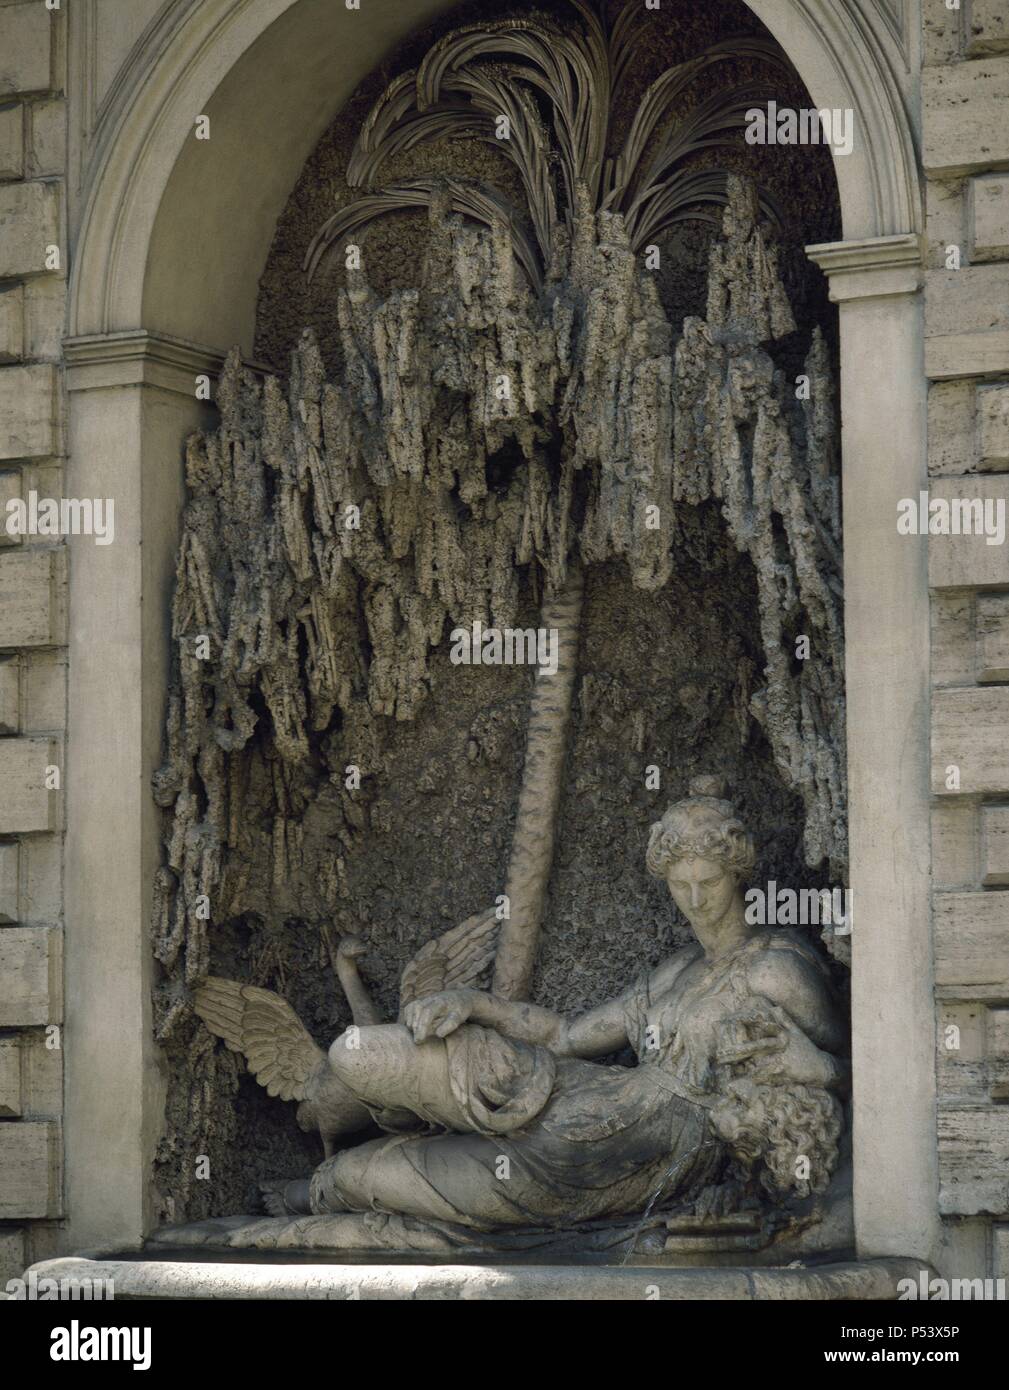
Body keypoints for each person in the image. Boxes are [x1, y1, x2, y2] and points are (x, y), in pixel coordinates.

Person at [275, 778, 847, 1229]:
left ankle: (320, 1191)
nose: (695, 900)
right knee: (361, 1057)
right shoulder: (679, 967)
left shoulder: (776, 966)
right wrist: (472, 1002)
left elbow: (854, 1080)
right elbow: (567, 1037)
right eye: (681, 884)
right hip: (592, 1095)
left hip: (641, 1152)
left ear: (738, 874)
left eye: (711, 883)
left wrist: (811, 1066)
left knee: (376, 1173)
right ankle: (334, 1177)